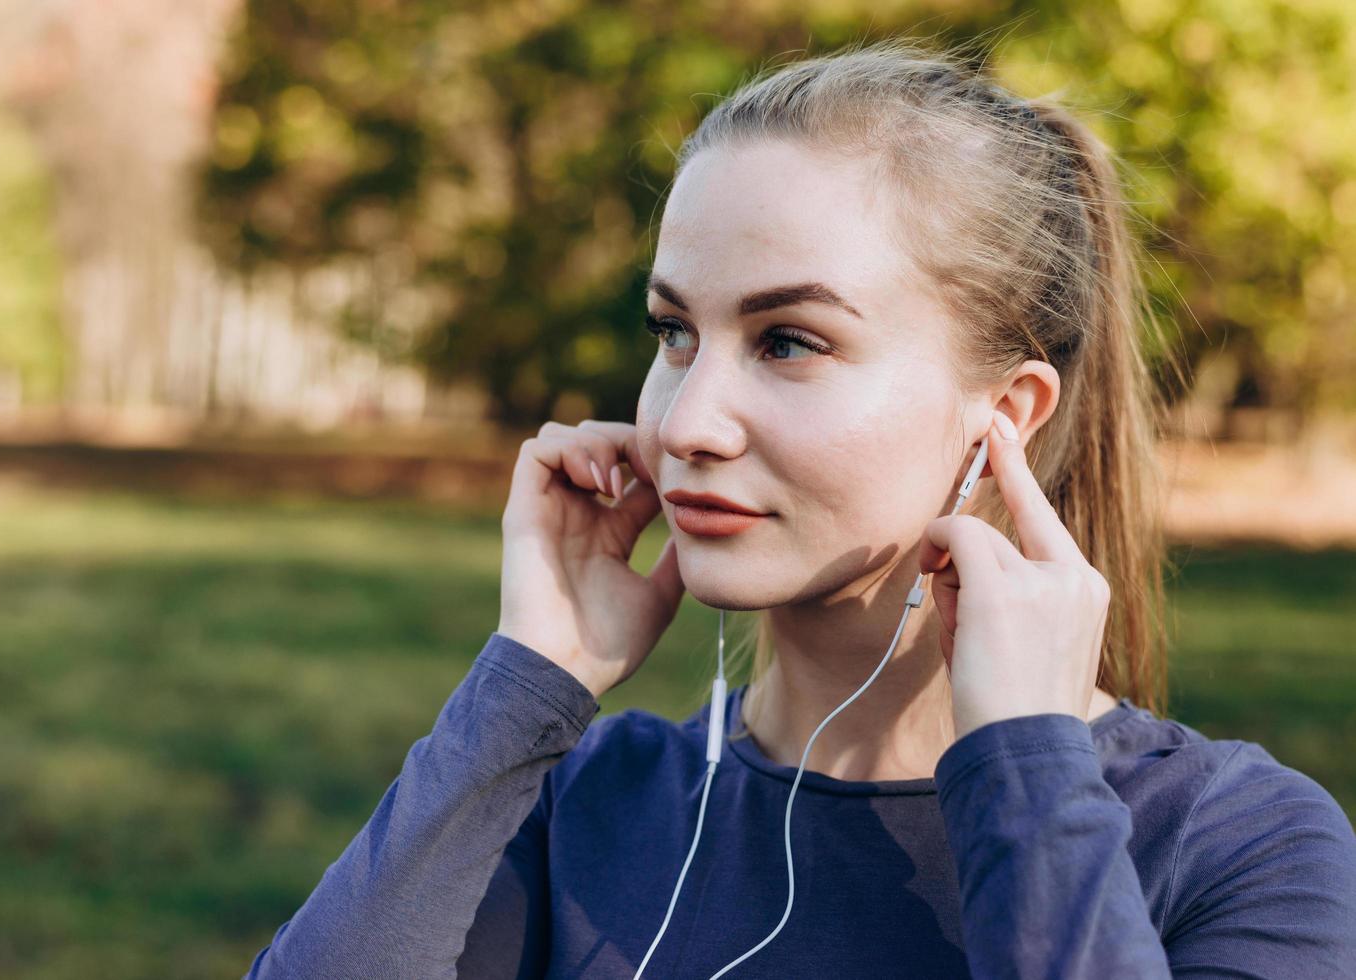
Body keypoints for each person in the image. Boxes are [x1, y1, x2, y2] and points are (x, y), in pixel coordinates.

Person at [243, 38, 1356, 979]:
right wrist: (528, 682)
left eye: (788, 340)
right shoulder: (574, 799)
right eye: (674, 332)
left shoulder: (1233, 845)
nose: (686, 422)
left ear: (1004, 414)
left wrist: (1025, 767)